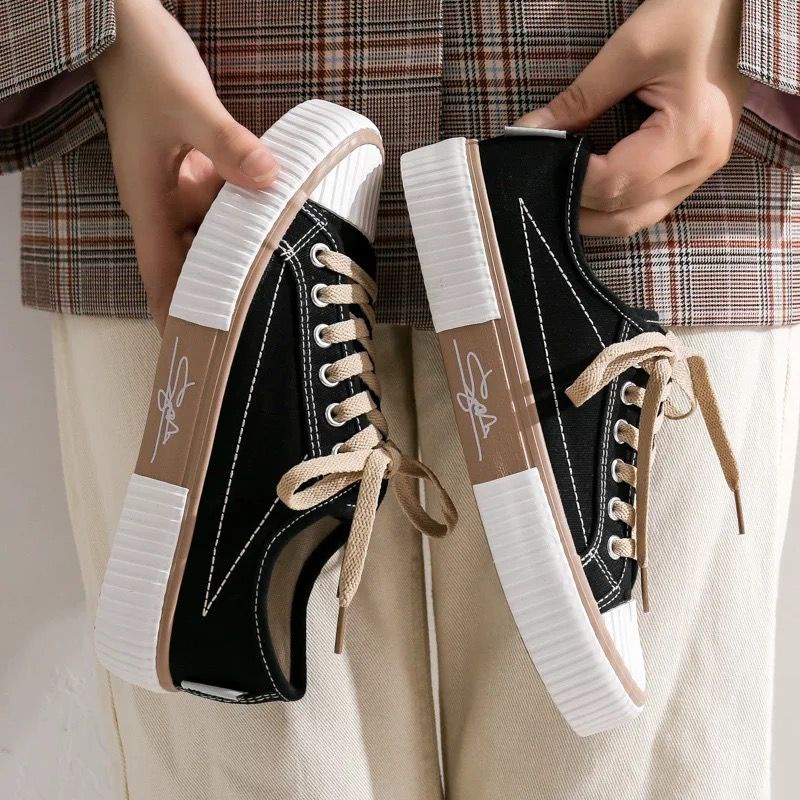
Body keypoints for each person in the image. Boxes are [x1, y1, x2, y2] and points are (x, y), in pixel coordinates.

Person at [1, 0, 798, 797]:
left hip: (654, 174)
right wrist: (100, 23)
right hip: (196, 176)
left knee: (625, 772)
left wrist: (748, 20)